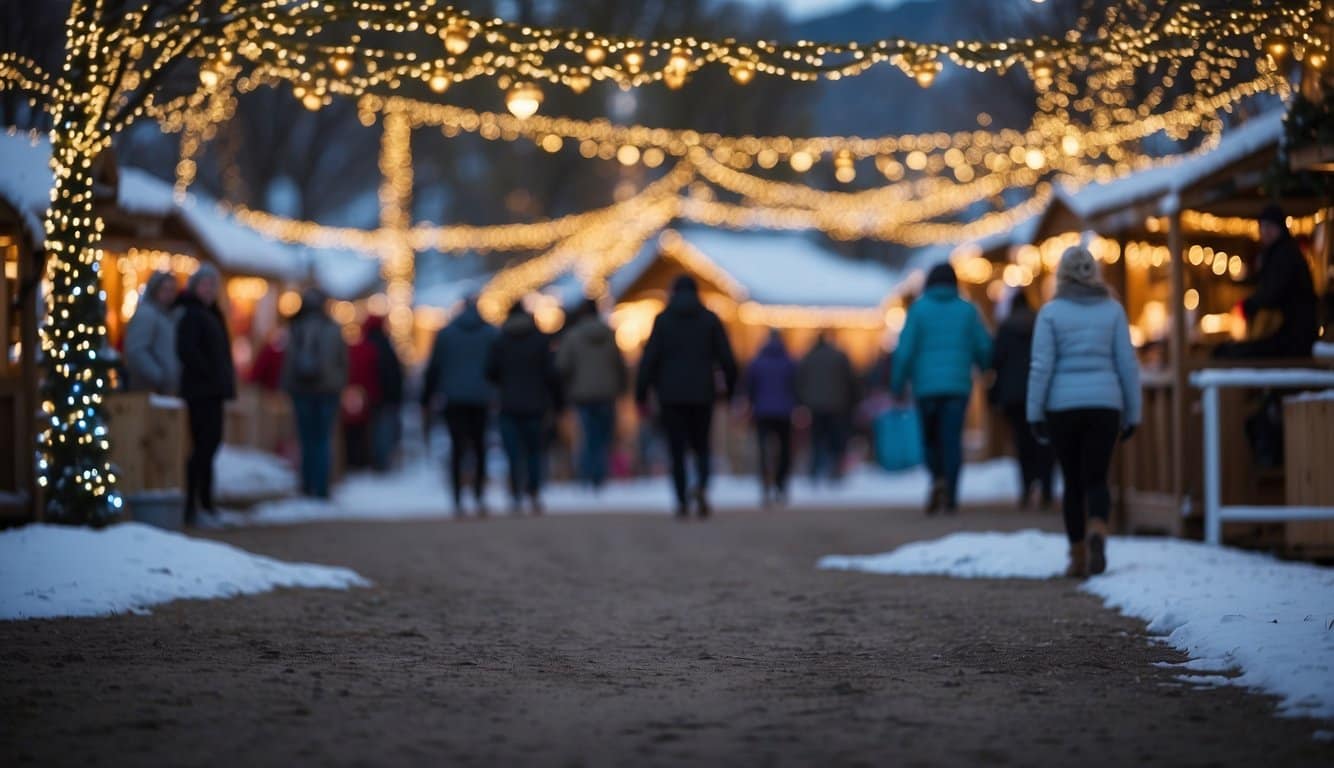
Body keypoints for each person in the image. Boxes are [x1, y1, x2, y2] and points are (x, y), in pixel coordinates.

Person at [1028, 246, 1141, 578]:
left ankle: (1077, 556)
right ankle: (1098, 529)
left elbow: (1041, 367)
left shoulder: (1050, 313)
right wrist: (1133, 412)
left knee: (1073, 482)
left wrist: (1035, 412)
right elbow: (1127, 365)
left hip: (1062, 407)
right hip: (1104, 405)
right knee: (1097, 477)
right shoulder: (1113, 311)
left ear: (1061, 274)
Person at [890, 263, 992, 515]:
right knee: (952, 439)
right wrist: (986, 367)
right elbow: (983, 345)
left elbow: (905, 351)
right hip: (958, 386)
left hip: (925, 387)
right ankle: (952, 494)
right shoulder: (967, 310)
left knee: (930, 439)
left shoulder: (919, 310)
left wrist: (897, 383)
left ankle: (937, 478)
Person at [636, 275, 737, 518]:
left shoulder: (663, 320)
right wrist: (729, 391)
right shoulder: (709, 319)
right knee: (702, 446)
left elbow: (649, 360)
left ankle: (681, 500)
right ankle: (701, 486)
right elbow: (727, 359)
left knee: (676, 449)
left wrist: (641, 393)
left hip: (670, 395)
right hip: (703, 393)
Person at [422, 298, 499, 515]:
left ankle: (457, 496)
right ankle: (478, 495)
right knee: (479, 447)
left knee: (457, 447)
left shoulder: (446, 334)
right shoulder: (490, 333)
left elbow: (434, 368)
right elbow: (496, 367)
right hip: (481, 397)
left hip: (453, 397)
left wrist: (426, 398)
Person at [485, 301, 562, 513]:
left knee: (513, 453)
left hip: (508, 404)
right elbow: (551, 375)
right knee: (534, 451)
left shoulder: (500, 341)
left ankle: (516, 493)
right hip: (536, 405)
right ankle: (534, 492)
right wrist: (555, 403)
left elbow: (490, 372)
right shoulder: (540, 341)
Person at [1214, 204, 1318, 359]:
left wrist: (1250, 305)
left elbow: (1273, 291)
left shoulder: (1284, 254)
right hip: (1288, 332)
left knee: (1232, 354)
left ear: (1280, 228)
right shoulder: (1275, 253)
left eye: (1270, 226)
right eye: (1263, 227)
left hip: (1293, 335)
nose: (1265, 232)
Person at [174, 265, 236, 524]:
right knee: (203, 447)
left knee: (211, 445)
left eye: (213, 286)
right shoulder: (191, 314)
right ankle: (193, 506)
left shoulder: (212, 314)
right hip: (200, 390)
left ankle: (206, 503)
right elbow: (188, 351)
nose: (210, 290)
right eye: (205, 285)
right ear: (195, 286)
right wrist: (209, 373)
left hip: (214, 390)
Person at [281, 288, 348, 499]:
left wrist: (287, 387)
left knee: (306, 438)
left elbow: (289, 362)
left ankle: (307, 484)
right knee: (322, 439)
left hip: (302, 390)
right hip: (327, 391)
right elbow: (344, 362)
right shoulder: (334, 329)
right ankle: (321, 487)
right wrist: (339, 384)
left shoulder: (296, 328)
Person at [990, 290, 1054, 508]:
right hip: (1042, 391)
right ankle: (1046, 489)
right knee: (1044, 441)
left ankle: (1027, 488)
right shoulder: (1042, 324)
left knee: (1022, 441)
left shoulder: (1006, 328)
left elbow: (996, 360)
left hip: (1014, 394)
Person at [556, 298, 627, 491]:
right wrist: (621, 387)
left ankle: (587, 475)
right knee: (603, 436)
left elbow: (562, 365)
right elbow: (619, 364)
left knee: (587, 436)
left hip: (582, 394)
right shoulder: (609, 334)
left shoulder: (573, 336)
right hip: (607, 393)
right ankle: (600, 476)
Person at [796, 330, 859, 483]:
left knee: (817, 439)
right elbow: (851, 381)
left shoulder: (809, 357)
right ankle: (834, 471)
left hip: (815, 405)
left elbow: (800, 381)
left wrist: (802, 401)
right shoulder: (839, 356)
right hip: (837, 405)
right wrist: (852, 402)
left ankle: (815, 471)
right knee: (835, 439)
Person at [745, 330, 797, 507]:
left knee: (763, 451)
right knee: (783, 451)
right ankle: (781, 486)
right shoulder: (789, 362)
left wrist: (751, 404)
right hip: (784, 411)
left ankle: (765, 485)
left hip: (762, 412)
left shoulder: (757, 362)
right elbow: (796, 387)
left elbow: (749, 388)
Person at [123, 270, 181, 395]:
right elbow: (136, 350)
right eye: (164, 289)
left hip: (163, 391)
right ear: (155, 290)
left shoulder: (166, 316)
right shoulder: (147, 314)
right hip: (148, 390)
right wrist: (159, 377)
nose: (169, 294)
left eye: (172, 290)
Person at [363, 315, 404, 472]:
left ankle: (377, 460)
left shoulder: (368, 345)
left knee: (377, 430)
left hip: (373, 395)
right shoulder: (386, 345)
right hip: (387, 396)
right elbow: (394, 374)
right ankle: (381, 460)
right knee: (383, 430)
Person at [342, 320, 381, 470]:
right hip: (364, 393)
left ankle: (352, 460)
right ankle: (360, 460)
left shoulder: (350, 349)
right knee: (361, 429)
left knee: (351, 430)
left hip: (351, 392)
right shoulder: (369, 349)